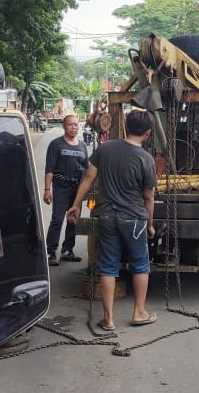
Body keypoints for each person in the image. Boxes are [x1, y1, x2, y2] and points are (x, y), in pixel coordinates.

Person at [66, 110, 158, 332]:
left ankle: (108, 320)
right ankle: (139, 312)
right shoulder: (146, 159)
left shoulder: (105, 149)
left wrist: (77, 204)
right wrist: (150, 223)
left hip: (106, 216)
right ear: (148, 133)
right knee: (140, 265)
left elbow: (89, 177)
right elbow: (148, 196)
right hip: (134, 218)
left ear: (126, 127)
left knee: (108, 266)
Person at [44, 115, 89, 267]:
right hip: (61, 186)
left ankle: (67, 250)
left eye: (76, 125)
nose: (73, 127)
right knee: (57, 219)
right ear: (64, 126)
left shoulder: (82, 146)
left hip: (77, 188)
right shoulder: (56, 144)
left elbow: (88, 170)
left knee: (73, 219)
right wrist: (47, 189)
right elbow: (49, 168)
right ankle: (51, 252)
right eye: (70, 125)